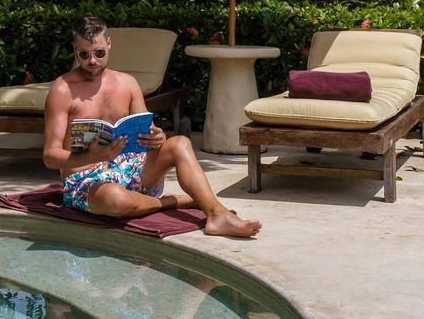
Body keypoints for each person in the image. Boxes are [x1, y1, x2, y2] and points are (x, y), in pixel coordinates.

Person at [42, 14, 261, 240]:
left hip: (132, 169)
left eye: (99, 53)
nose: (92, 61)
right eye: (83, 55)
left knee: (180, 144)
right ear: (74, 50)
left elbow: (148, 133)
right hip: (87, 181)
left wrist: (158, 138)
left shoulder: (127, 83)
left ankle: (217, 215)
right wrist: (91, 156)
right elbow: (50, 156)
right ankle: (173, 202)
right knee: (116, 199)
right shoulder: (62, 90)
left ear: (109, 43)